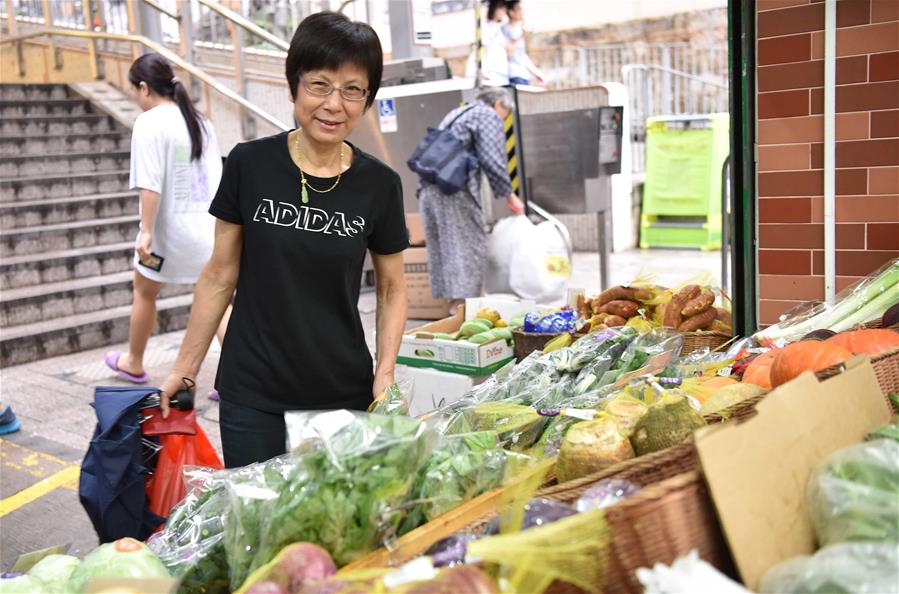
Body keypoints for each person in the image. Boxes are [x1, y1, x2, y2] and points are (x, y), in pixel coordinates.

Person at [159, 12, 408, 468]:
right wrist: (184, 369)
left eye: (353, 89)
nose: (335, 104)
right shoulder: (249, 164)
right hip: (253, 393)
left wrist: (385, 373)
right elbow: (219, 275)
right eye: (319, 85)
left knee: (335, 530)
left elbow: (392, 286)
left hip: (342, 392)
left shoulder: (380, 184)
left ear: (367, 99)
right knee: (258, 531)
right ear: (293, 85)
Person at [104, 53, 230, 387]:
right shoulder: (201, 122)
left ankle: (133, 361)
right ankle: (236, 378)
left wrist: (145, 231)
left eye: (135, 90)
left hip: (168, 236)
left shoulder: (149, 122)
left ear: (144, 87)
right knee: (217, 300)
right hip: (208, 232)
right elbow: (216, 178)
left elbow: (150, 183)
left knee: (144, 291)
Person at [417, 87, 525, 315]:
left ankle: (454, 307)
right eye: (504, 115)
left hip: (429, 189)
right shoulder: (487, 115)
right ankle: (465, 310)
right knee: (467, 247)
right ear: (498, 105)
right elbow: (492, 158)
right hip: (455, 191)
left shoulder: (457, 113)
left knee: (445, 248)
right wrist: (510, 194)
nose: (502, 120)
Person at [503, 0, 546, 86]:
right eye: (519, 9)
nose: (522, 12)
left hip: (523, 75)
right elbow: (509, 52)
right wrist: (520, 36)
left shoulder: (520, 29)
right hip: (512, 75)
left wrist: (536, 72)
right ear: (511, 12)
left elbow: (522, 56)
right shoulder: (504, 30)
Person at [480, 0, 511, 86]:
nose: (503, 11)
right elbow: (483, 49)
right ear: (493, 8)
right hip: (492, 73)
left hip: (503, 72)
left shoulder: (502, 27)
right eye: (500, 7)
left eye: (504, 7)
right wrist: (483, 70)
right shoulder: (486, 26)